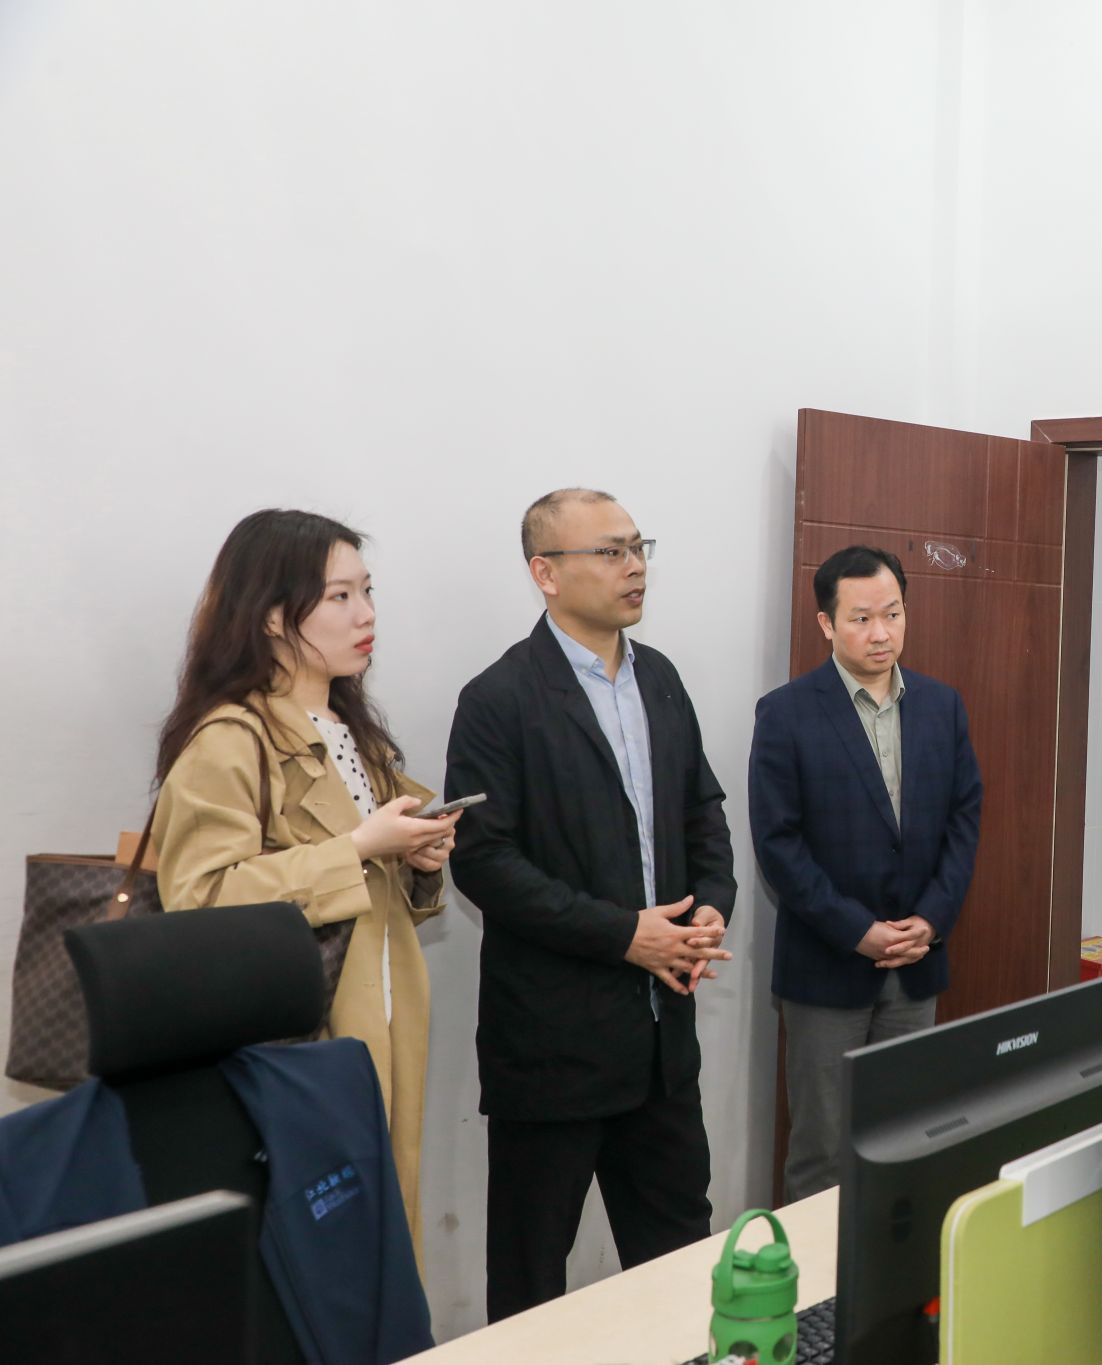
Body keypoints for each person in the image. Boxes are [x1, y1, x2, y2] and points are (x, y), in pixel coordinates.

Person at [446, 488, 735, 1321]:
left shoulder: (661, 679)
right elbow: (484, 861)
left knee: (681, 1265)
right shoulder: (499, 697)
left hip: (662, 1048)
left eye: (638, 547)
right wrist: (624, 936)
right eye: (610, 551)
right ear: (545, 572)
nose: (634, 566)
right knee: (532, 1284)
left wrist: (710, 908)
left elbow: (703, 812)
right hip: (553, 1052)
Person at [153, 508, 456, 1263]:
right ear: (271, 616)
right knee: (320, 1243)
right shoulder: (232, 736)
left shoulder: (354, 732)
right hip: (297, 1038)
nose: (367, 614)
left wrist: (419, 859)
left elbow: (378, 893)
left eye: (367, 591)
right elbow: (199, 896)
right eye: (340, 597)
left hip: (385, 1013)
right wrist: (357, 848)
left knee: (381, 1226)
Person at [749, 544, 983, 1202]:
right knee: (822, 1151)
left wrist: (932, 919)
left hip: (916, 964)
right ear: (826, 623)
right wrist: (857, 930)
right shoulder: (786, 712)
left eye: (893, 613)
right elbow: (778, 845)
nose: (881, 632)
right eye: (861, 618)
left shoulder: (941, 705)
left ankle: (894, 1268)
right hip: (826, 967)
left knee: (908, 1138)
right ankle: (816, 1272)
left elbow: (964, 819)